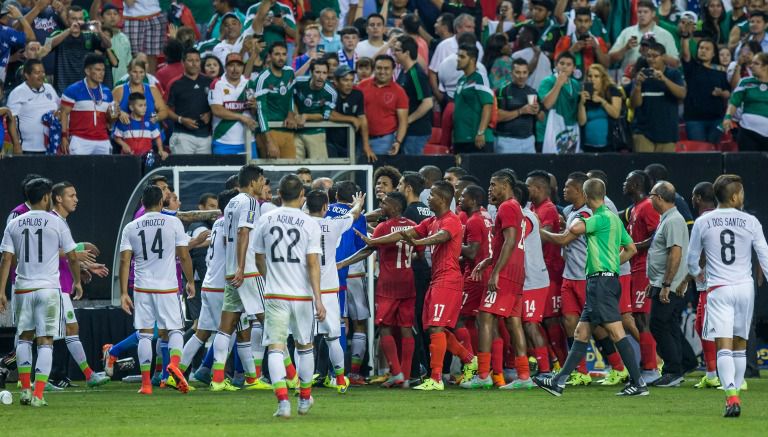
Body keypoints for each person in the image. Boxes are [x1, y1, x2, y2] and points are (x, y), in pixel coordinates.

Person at [357, 181, 476, 391]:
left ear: (442, 198)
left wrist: (421, 243)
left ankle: (436, 378)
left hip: (449, 280)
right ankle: (469, 359)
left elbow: (443, 237)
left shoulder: (452, 220)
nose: (427, 199)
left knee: (436, 327)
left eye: (431, 196)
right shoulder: (431, 220)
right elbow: (406, 234)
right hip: (436, 279)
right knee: (432, 328)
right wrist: (375, 241)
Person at [533, 178, 645, 397]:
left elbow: (567, 236)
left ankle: (639, 383)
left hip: (599, 283)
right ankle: (559, 382)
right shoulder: (613, 218)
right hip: (605, 280)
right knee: (581, 332)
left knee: (615, 331)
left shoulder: (598, 219)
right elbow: (631, 249)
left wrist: (540, 231)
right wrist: (612, 264)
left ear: (585, 195)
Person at [684, 174, 768, 417]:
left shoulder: (703, 221)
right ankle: (736, 391)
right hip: (744, 288)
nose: (743, 196)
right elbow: (764, 256)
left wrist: (698, 274)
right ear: (734, 196)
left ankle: (731, 396)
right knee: (740, 345)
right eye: (741, 192)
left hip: (718, 288)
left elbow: (691, 260)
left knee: (723, 345)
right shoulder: (750, 221)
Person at [0, 178, 81, 406]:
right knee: (46, 341)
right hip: (48, 290)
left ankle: (25, 389)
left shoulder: (14, 223)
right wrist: (77, 280)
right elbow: (72, 255)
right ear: (46, 197)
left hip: (23, 289)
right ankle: (38, 394)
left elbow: (6, 259)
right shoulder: (56, 223)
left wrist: (1, 291)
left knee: (24, 338)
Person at [253, 174, 326, 418]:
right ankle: (304, 399)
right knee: (305, 346)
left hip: (275, 293)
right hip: (303, 295)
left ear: (278, 194)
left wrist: (269, 277)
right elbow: (313, 263)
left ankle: (283, 403)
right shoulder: (309, 223)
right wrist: (318, 298)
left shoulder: (266, 219)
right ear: (302, 196)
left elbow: (258, 257)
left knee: (275, 347)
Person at [118, 183, 195, 395]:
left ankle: (145, 385)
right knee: (176, 329)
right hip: (168, 287)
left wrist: (123, 292)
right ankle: (174, 365)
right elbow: (184, 254)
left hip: (142, 288)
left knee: (144, 335)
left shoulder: (132, 226)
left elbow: (125, 260)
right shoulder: (173, 223)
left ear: (143, 203)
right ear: (161, 202)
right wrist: (190, 280)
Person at [462, 170, 531, 390]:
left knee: (485, 317)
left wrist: (495, 272)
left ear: (506, 185)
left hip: (506, 273)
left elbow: (510, 241)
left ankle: (483, 375)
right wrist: (489, 260)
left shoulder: (507, 206)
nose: (490, 189)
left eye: (494, 185)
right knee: (513, 322)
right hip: (516, 271)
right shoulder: (515, 207)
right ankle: (523, 376)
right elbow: (508, 242)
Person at [206, 164, 267, 393]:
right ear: (252, 182)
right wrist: (242, 266)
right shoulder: (250, 201)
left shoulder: (231, 202)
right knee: (270, 321)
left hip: (231, 272)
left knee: (226, 327)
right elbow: (243, 232)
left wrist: (235, 267)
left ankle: (218, 379)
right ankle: (290, 376)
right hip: (248, 271)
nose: (263, 184)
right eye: (261, 180)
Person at [49, 182, 110, 388]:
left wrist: (85, 267)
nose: (76, 199)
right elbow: (60, 254)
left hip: (60, 284)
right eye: (71, 195)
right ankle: (84, 375)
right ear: (58, 198)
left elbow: (67, 255)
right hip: (55, 285)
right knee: (65, 330)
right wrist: (79, 254)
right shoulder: (54, 221)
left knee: (59, 332)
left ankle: (58, 377)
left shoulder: (60, 222)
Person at [306, 189, 364, 393]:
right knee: (332, 337)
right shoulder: (333, 224)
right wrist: (358, 202)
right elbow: (354, 214)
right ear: (325, 208)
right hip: (329, 289)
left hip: (305, 289)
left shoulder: (300, 225)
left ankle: (300, 383)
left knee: (303, 340)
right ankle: (340, 379)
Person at [540, 172, 593, 385]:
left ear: (580, 190)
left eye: (568, 187)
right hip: (569, 276)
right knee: (569, 321)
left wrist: (538, 229)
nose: (563, 190)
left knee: (602, 326)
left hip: (585, 276)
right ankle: (581, 372)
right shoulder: (571, 211)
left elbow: (563, 240)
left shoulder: (587, 214)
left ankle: (621, 365)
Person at [646, 181, 693, 388]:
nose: (649, 199)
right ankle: (684, 363)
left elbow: (675, 253)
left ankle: (673, 371)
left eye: (651, 195)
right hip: (664, 282)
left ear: (659, 197)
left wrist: (665, 284)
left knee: (659, 324)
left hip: (669, 285)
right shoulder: (667, 219)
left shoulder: (673, 220)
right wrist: (654, 282)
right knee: (670, 324)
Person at [623, 170, 661, 383]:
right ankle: (648, 366)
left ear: (636, 184)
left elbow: (658, 234)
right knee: (638, 319)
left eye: (627, 181)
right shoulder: (636, 208)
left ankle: (651, 369)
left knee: (643, 319)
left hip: (645, 269)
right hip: (636, 268)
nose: (624, 183)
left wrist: (634, 247)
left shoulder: (647, 206)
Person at [526, 170, 568, 368]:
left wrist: (526, 229)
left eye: (529, 186)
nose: (526, 190)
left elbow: (546, 235)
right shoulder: (533, 208)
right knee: (536, 320)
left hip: (550, 272)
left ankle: (564, 363)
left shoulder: (548, 208)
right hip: (536, 272)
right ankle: (553, 362)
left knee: (551, 320)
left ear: (540, 188)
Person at [688, 182, 721, 389]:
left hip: (710, 281)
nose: (692, 199)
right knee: (701, 326)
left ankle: (716, 374)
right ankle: (711, 374)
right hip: (710, 282)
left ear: (698, 198)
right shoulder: (719, 217)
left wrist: (690, 275)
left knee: (708, 327)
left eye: (693, 196)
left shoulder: (703, 220)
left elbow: (700, 253)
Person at [630, 42, 687, 153]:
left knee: (664, 169)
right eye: (649, 56)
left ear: (664, 57)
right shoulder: (641, 75)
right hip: (643, 132)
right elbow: (634, 104)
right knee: (643, 168)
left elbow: (682, 94)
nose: (651, 59)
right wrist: (637, 86)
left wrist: (664, 79)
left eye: (655, 56)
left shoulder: (673, 74)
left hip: (667, 133)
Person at [59, 54, 116, 155]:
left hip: (102, 139)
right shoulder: (73, 90)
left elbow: (111, 119)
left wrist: (114, 115)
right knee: (79, 170)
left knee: (105, 170)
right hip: (79, 139)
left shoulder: (107, 92)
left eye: (103, 70)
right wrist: (64, 136)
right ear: (87, 71)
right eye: (98, 70)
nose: (101, 73)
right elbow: (64, 114)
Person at [49, 6, 113, 93]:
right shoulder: (59, 34)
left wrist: (99, 31)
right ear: (67, 20)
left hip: (85, 88)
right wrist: (69, 31)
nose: (77, 22)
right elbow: (49, 45)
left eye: (80, 18)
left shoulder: (89, 36)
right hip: (63, 87)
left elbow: (108, 45)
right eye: (74, 19)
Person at [681, 36, 730, 144]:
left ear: (713, 54)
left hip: (717, 119)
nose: (703, 51)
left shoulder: (720, 72)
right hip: (695, 119)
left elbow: (728, 93)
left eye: (707, 49)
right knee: (699, 153)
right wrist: (685, 37)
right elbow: (685, 53)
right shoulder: (692, 67)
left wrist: (721, 93)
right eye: (701, 48)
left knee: (714, 152)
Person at [356, 54, 408, 156]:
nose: (382, 71)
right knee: (358, 171)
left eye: (386, 68)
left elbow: (403, 121)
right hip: (360, 139)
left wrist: (398, 142)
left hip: (385, 141)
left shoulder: (399, 92)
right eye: (379, 68)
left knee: (379, 170)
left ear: (393, 70)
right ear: (374, 69)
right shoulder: (361, 86)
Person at [609, 0, 680, 71]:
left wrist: (657, 53)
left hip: (657, 79)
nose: (642, 15)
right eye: (639, 12)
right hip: (629, 78)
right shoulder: (627, 32)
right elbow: (610, 59)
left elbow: (676, 63)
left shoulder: (665, 35)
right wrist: (625, 48)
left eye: (645, 12)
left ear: (653, 14)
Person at [209, 53, 258, 155]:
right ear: (225, 67)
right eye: (231, 65)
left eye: (239, 65)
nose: (235, 69)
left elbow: (255, 112)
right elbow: (217, 110)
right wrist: (241, 117)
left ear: (243, 67)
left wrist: (255, 107)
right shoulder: (217, 84)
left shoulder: (250, 83)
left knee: (252, 171)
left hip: (249, 140)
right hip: (223, 141)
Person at [167, 48, 213, 155]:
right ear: (183, 63)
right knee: (182, 170)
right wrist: (181, 120)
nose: (194, 64)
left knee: (203, 171)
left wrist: (210, 114)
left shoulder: (210, 82)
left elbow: (218, 105)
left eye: (197, 60)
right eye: (190, 60)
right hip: (183, 136)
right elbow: (166, 109)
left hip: (205, 137)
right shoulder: (175, 84)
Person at [254, 41, 296, 159]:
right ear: (270, 56)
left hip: (286, 129)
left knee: (290, 171)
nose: (280, 58)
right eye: (277, 54)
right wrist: (268, 140)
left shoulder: (290, 72)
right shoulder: (263, 78)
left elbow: (291, 95)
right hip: (269, 131)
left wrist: (291, 114)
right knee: (270, 172)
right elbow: (260, 110)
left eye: (283, 54)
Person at [6, 59, 58, 155]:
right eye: (37, 72)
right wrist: (16, 145)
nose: (42, 75)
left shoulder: (50, 89)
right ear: (27, 75)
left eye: (43, 72)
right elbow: (11, 119)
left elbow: (59, 110)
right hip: (28, 148)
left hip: (51, 148)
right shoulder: (17, 93)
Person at [393, 35, 433, 155]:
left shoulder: (416, 73)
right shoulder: (403, 71)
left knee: (412, 167)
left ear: (407, 53)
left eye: (397, 50)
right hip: (407, 130)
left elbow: (427, 103)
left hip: (416, 131)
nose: (394, 53)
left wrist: (408, 120)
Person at [292, 58, 337, 159]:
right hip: (296, 132)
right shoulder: (299, 83)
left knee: (319, 169)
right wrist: (296, 114)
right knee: (293, 167)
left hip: (317, 132)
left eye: (324, 73)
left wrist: (306, 116)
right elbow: (291, 99)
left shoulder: (331, 93)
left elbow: (325, 116)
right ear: (311, 72)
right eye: (317, 72)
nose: (321, 77)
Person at [453, 44, 494, 154]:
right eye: (458, 56)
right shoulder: (461, 80)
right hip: (460, 138)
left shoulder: (480, 77)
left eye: (462, 57)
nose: (458, 59)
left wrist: (481, 132)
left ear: (472, 60)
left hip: (476, 139)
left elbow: (488, 105)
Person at [723, 53, 768, 150]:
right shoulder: (745, 82)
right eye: (751, 63)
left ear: (766, 66)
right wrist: (727, 117)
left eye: (756, 63)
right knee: (747, 164)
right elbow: (734, 102)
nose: (751, 66)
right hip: (747, 131)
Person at [328, 65, 373, 160]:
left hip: (353, 141)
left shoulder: (358, 94)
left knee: (353, 171)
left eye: (351, 80)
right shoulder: (330, 94)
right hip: (332, 142)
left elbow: (362, 118)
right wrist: (351, 119)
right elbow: (330, 114)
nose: (349, 84)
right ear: (336, 81)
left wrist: (366, 145)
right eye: (345, 80)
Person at [495, 58, 540, 154]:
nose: (521, 76)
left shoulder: (532, 92)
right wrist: (521, 111)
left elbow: (541, 118)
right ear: (511, 73)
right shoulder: (502, 91)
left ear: (528, 73)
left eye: (524, 72)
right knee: (506, 169)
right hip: (507, 141)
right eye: (518, 72)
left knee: (529, 169)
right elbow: (497, 116)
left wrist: (538, 111)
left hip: (529, 140)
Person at [540, 52, 581, 154]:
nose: (564, 67)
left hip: (572, 130)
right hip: (552, 130)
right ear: (556, 65)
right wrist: (558, 84)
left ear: (574, 68)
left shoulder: (575, 84)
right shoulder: (548, 81)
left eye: (568, 64)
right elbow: (547, 104)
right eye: (562, 63)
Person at [553, 7, 610, 81]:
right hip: (569, 83)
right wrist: (571, 51)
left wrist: (597, 48)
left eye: (586, 21)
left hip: (591, 83)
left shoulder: (598, 41)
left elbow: (606, 64)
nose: (583, 24)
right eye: (580, 21)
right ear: (574, 21)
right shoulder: (564, 40)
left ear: (591, 23)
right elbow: (556, 65)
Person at [577, 64, 623, 152]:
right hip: (587, 146)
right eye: (590, 76)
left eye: (596, 76)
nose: (592, 79)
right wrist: (581, 103)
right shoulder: (583, 95)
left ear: (603, 78)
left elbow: (616, 114)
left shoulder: (612, 91)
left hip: (609, 145)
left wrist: (602, 101)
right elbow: (582, 122)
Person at [112, 59, 168, 126]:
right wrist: (119, 113)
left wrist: (155, 117)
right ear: (129, 72)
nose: (138, 75)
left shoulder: (153, 90)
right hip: (125, 133)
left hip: (149, 133)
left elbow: (164, 111)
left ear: (145, 73)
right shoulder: (119, 90)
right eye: (135, 72)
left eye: (141, 72)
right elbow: (111, 113)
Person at [113, 92, 166, 158]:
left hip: (148, 155)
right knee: (128, 167)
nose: (144, 108)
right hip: (128, 156)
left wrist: (161, 150)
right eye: (140, 105)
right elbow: (116, 137)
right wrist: (124, 145)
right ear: (131, 107)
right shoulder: (124, 120)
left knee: (150, 165)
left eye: (145, 105)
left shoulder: (150, 121)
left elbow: (157, 137)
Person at [122, 0, 166, 72]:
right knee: (133, 55)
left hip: (155, 15)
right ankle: (132, 81)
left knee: (152, 54)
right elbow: (129, 3)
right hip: (133, 17)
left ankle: (150, 81)